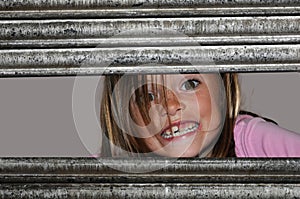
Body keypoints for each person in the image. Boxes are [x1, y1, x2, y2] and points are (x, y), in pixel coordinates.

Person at [99, 73, 300, 157]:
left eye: (190, 84)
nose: (171, 106)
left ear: (222, 88)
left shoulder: (249, 140)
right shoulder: (114, 166)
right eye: (149, 96)